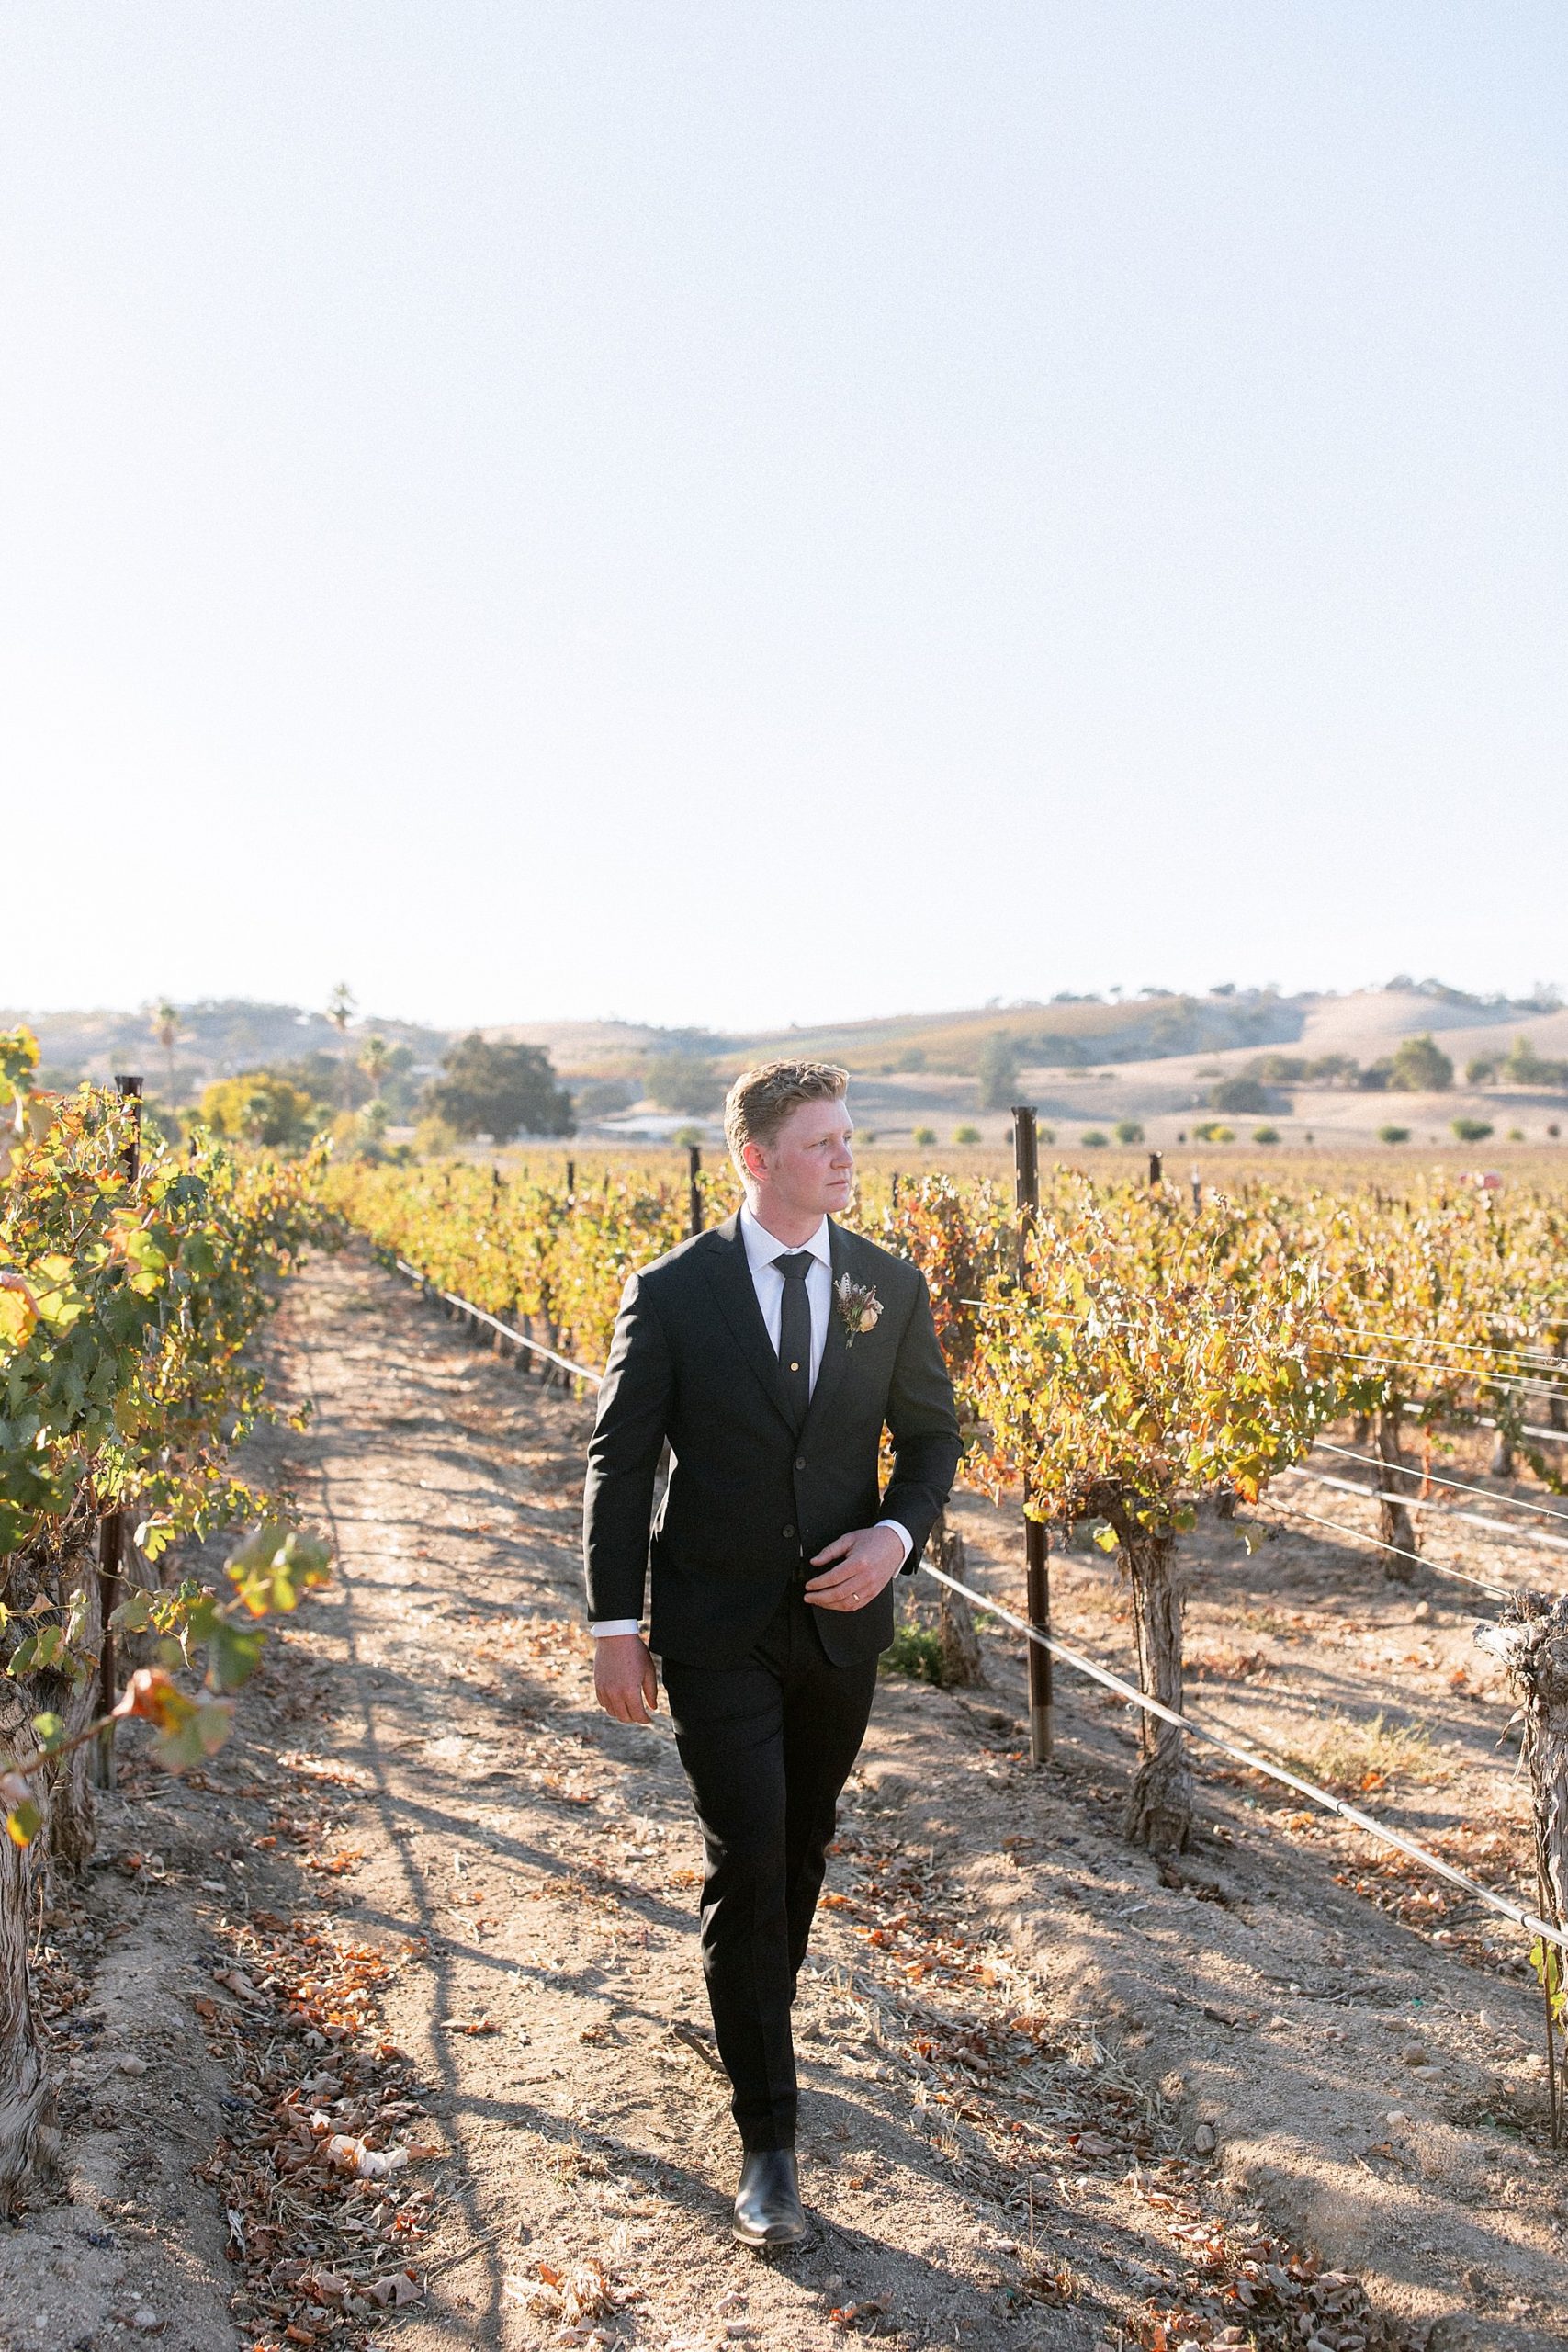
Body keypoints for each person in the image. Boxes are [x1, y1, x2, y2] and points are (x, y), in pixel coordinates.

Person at [582, 1059, 961, 2247]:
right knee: (750, 1852)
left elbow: (935, 1438)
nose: (846, 1159)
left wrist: (897, 1537)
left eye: (850, 1139)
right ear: (754, 1158)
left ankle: (754, 2015)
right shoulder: (673, 1290)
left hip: (840, 1633)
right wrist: (612, 1625)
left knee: (801, 1847)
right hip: (714, 1629)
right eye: (821, 1144)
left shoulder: (888, 1285)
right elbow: (621, 1462)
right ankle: (770, 2140)